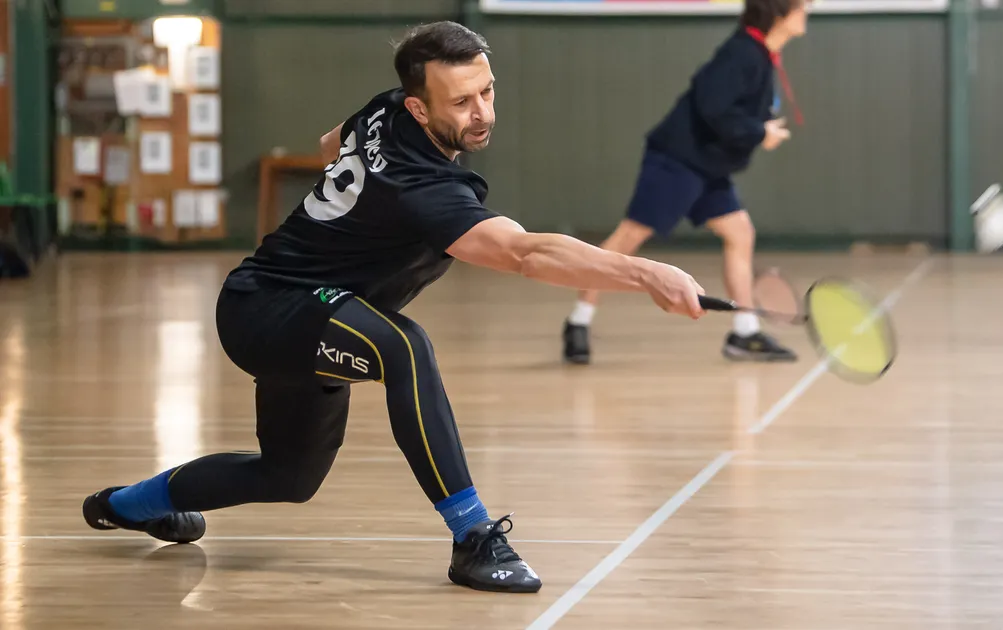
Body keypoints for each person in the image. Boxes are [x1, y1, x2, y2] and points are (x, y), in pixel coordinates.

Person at [80, 21, 708, 595]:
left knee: (288, 478)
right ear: (419, 105)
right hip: (267, 306)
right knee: (404, 347)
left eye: (487, 92)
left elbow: (332, 142)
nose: (482, 113)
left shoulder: (385, 108)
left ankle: (125, 504)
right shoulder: (423, 188)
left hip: (312, 312)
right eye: (461, 103)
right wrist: (643, 270)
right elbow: (523, 255)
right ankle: (472, 537)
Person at [562, 0, 811, 365]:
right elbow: (714, 107)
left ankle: (744, 333)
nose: (807, 13)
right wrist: (759, 133)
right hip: (677, 161)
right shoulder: (742, 52)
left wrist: (760, 127)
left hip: (708, 165)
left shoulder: (760, 54)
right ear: (779, 14)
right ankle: (578, 320)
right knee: (628, 239)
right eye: (802, 7)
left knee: (740, 233)